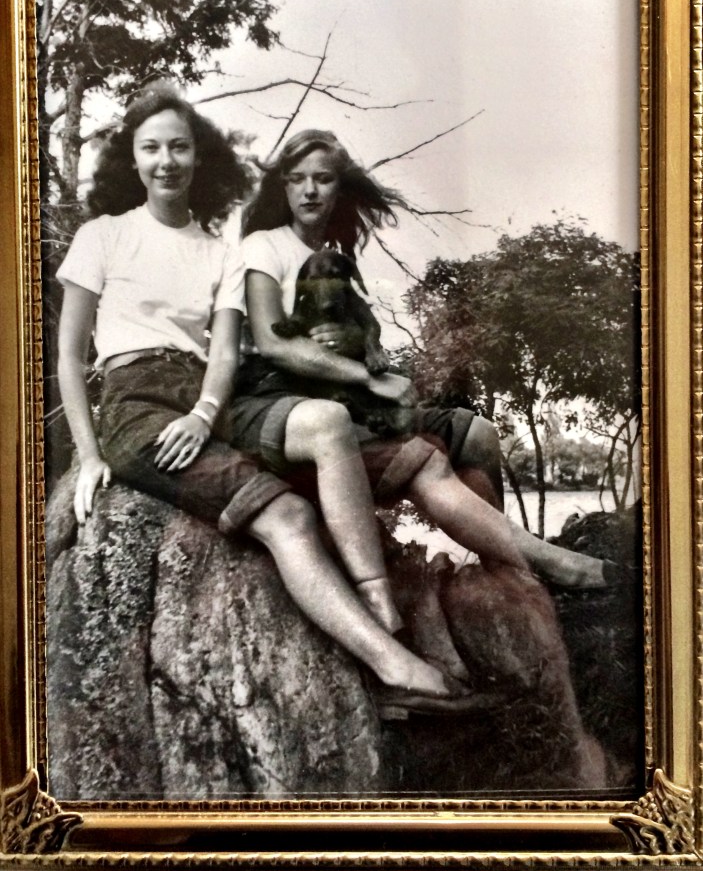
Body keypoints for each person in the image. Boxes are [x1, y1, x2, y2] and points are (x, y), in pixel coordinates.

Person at [56, 86, 482, 719]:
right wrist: (90, 454)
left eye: (179, 147)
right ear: (133, 158)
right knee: (288, 516)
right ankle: (395, 670)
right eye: (151, 148)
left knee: (326, 422)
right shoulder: (104, 236)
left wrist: (204, 413)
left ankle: (381, 603)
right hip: (136, 399)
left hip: (211, 398)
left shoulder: (220, 251)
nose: (166, 161)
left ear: (199, 156)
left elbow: (226, 354)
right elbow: (69, 357)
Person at [236, 128, 618, 596]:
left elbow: (358, 328)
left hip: (352, 397)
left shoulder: (331, 256)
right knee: (426, 459)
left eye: (324, 178)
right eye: (297, 179)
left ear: (341, 188)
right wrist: (369, 379)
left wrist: (360, 351)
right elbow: (274, 344)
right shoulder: (264, 246)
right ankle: (559, 568)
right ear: (283, 186)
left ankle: (505, 571)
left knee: (478, 434)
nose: (310, 190)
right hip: (301, 406)